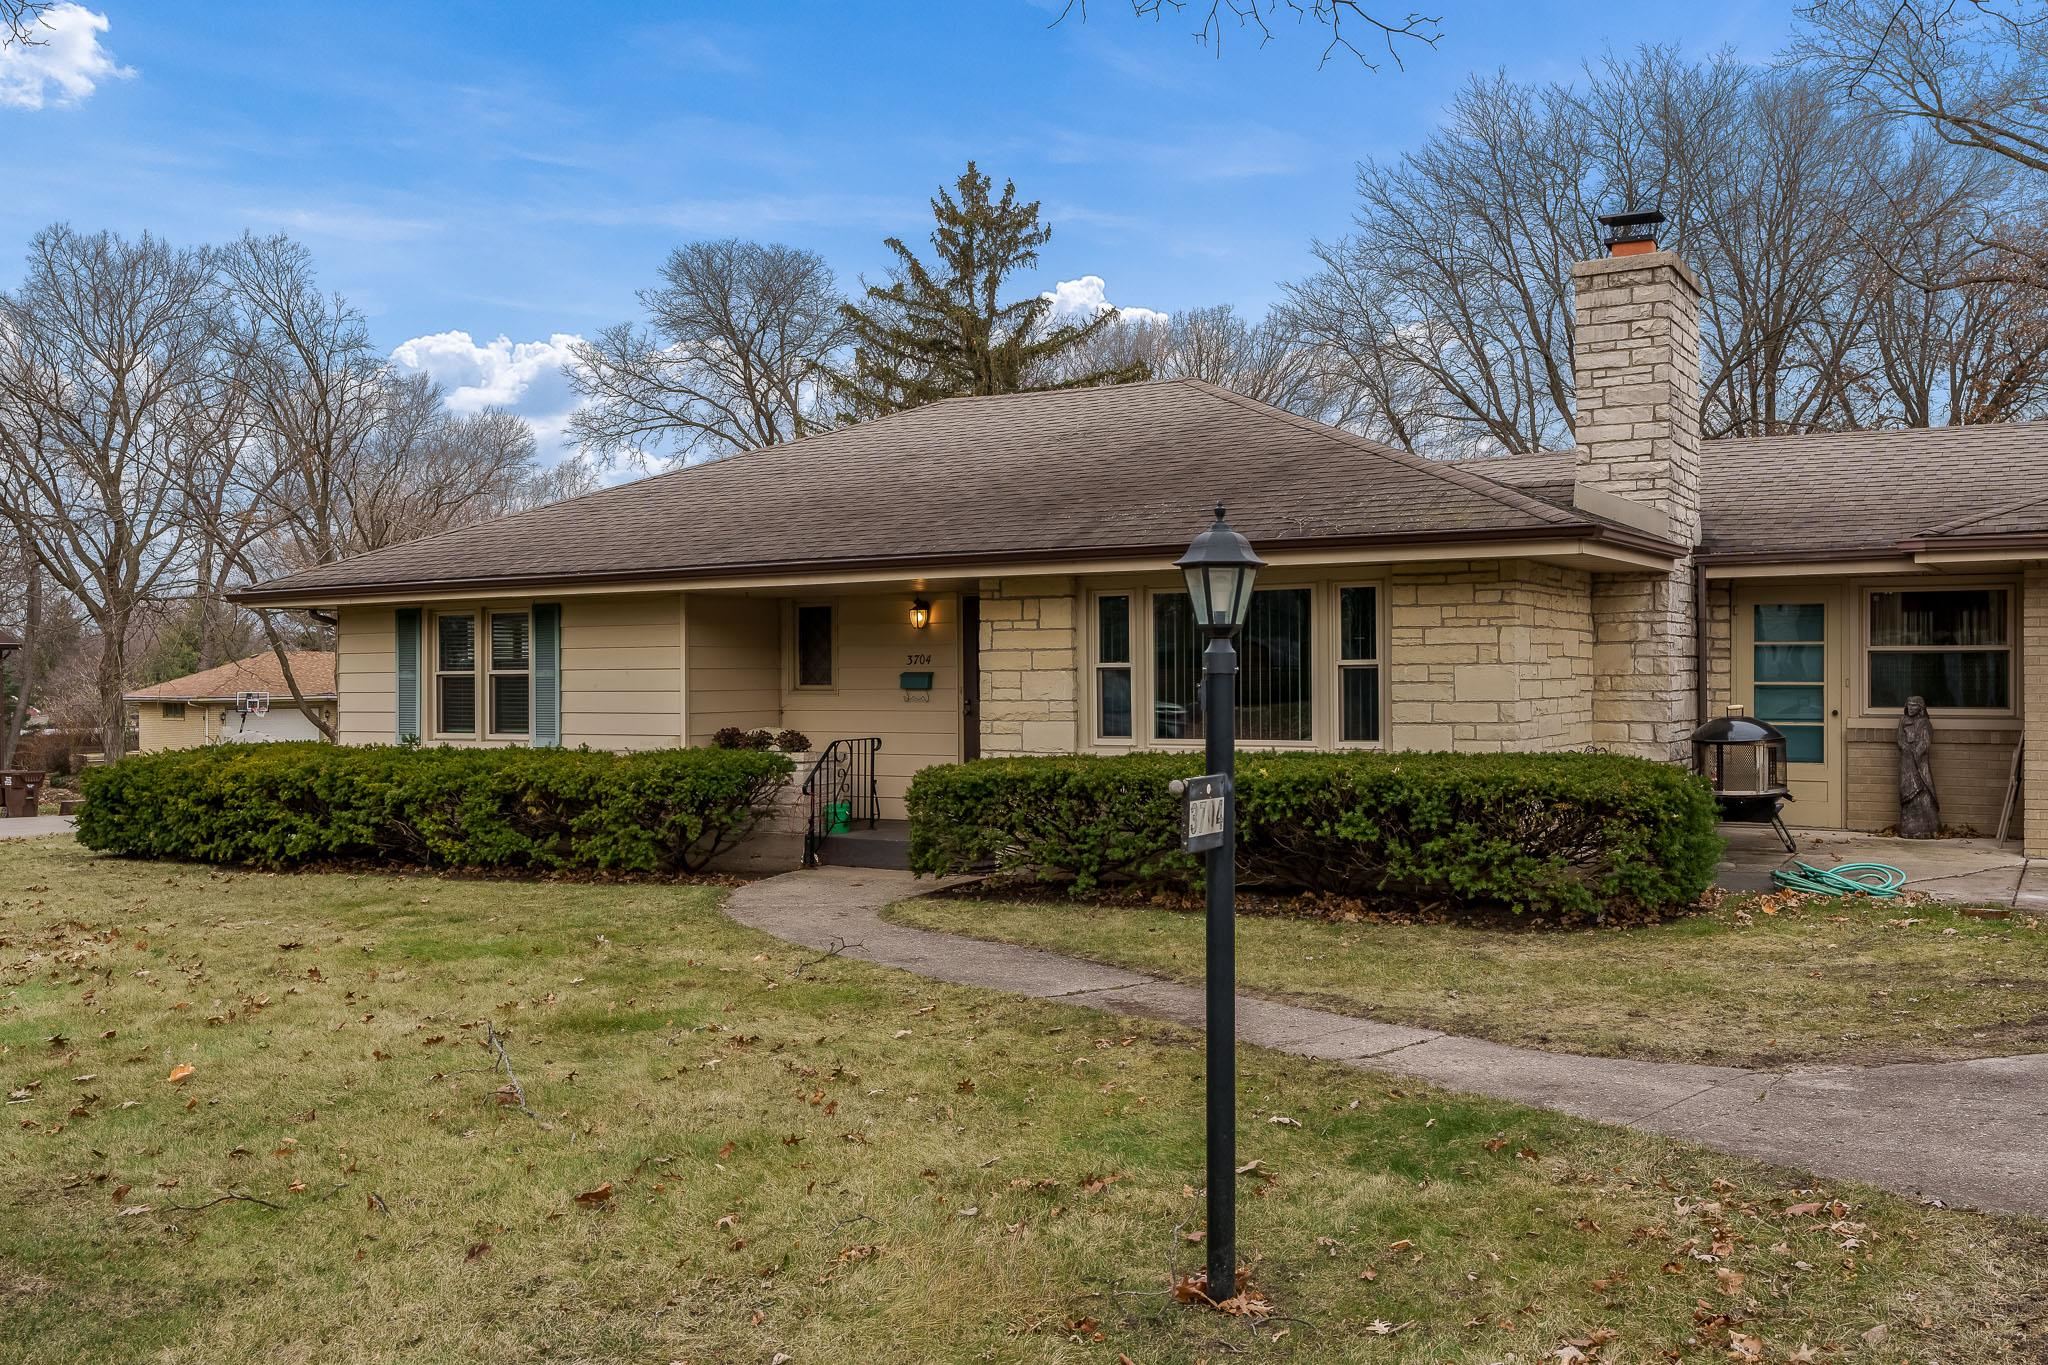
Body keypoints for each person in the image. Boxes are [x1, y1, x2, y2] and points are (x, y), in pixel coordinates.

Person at [1898, 695, 1938, 838]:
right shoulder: (1902, 721)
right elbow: (1900, 740)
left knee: (1923, 791)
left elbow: (1925, 743)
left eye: (1914, 705)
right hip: (1906, 762)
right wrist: (1907, 749)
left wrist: (1916, 751)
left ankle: (1928, 827)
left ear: (1921, 708)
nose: (1911, 708)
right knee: (1907, 790)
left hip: (1920, 764)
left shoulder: (1925, 723)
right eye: (1908, 705)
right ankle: (1908, 828)